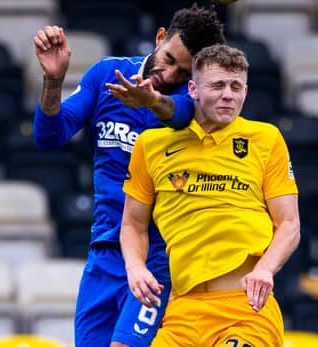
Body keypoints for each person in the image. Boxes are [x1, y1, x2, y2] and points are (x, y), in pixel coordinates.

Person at [32, 5, 226, 347]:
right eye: (169, 59)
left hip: (157, 258)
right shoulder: (107, 74)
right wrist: (53, 81)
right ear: (160, 37)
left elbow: (179, 115)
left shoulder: (192, 102)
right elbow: (50, 138)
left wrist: (151, 100)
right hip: (103, 253)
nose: (169, 76)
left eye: (183, 73)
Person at [120, 44, 301, 347]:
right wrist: (136, 267)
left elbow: (290, 224)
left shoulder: (266, 139)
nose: (228, 95)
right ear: (192, 88)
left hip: (245, 310)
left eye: (236, 86)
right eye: (217, 85)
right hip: (182, 313)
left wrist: (266, 269)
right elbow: (132, 225)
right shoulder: (150, 145)